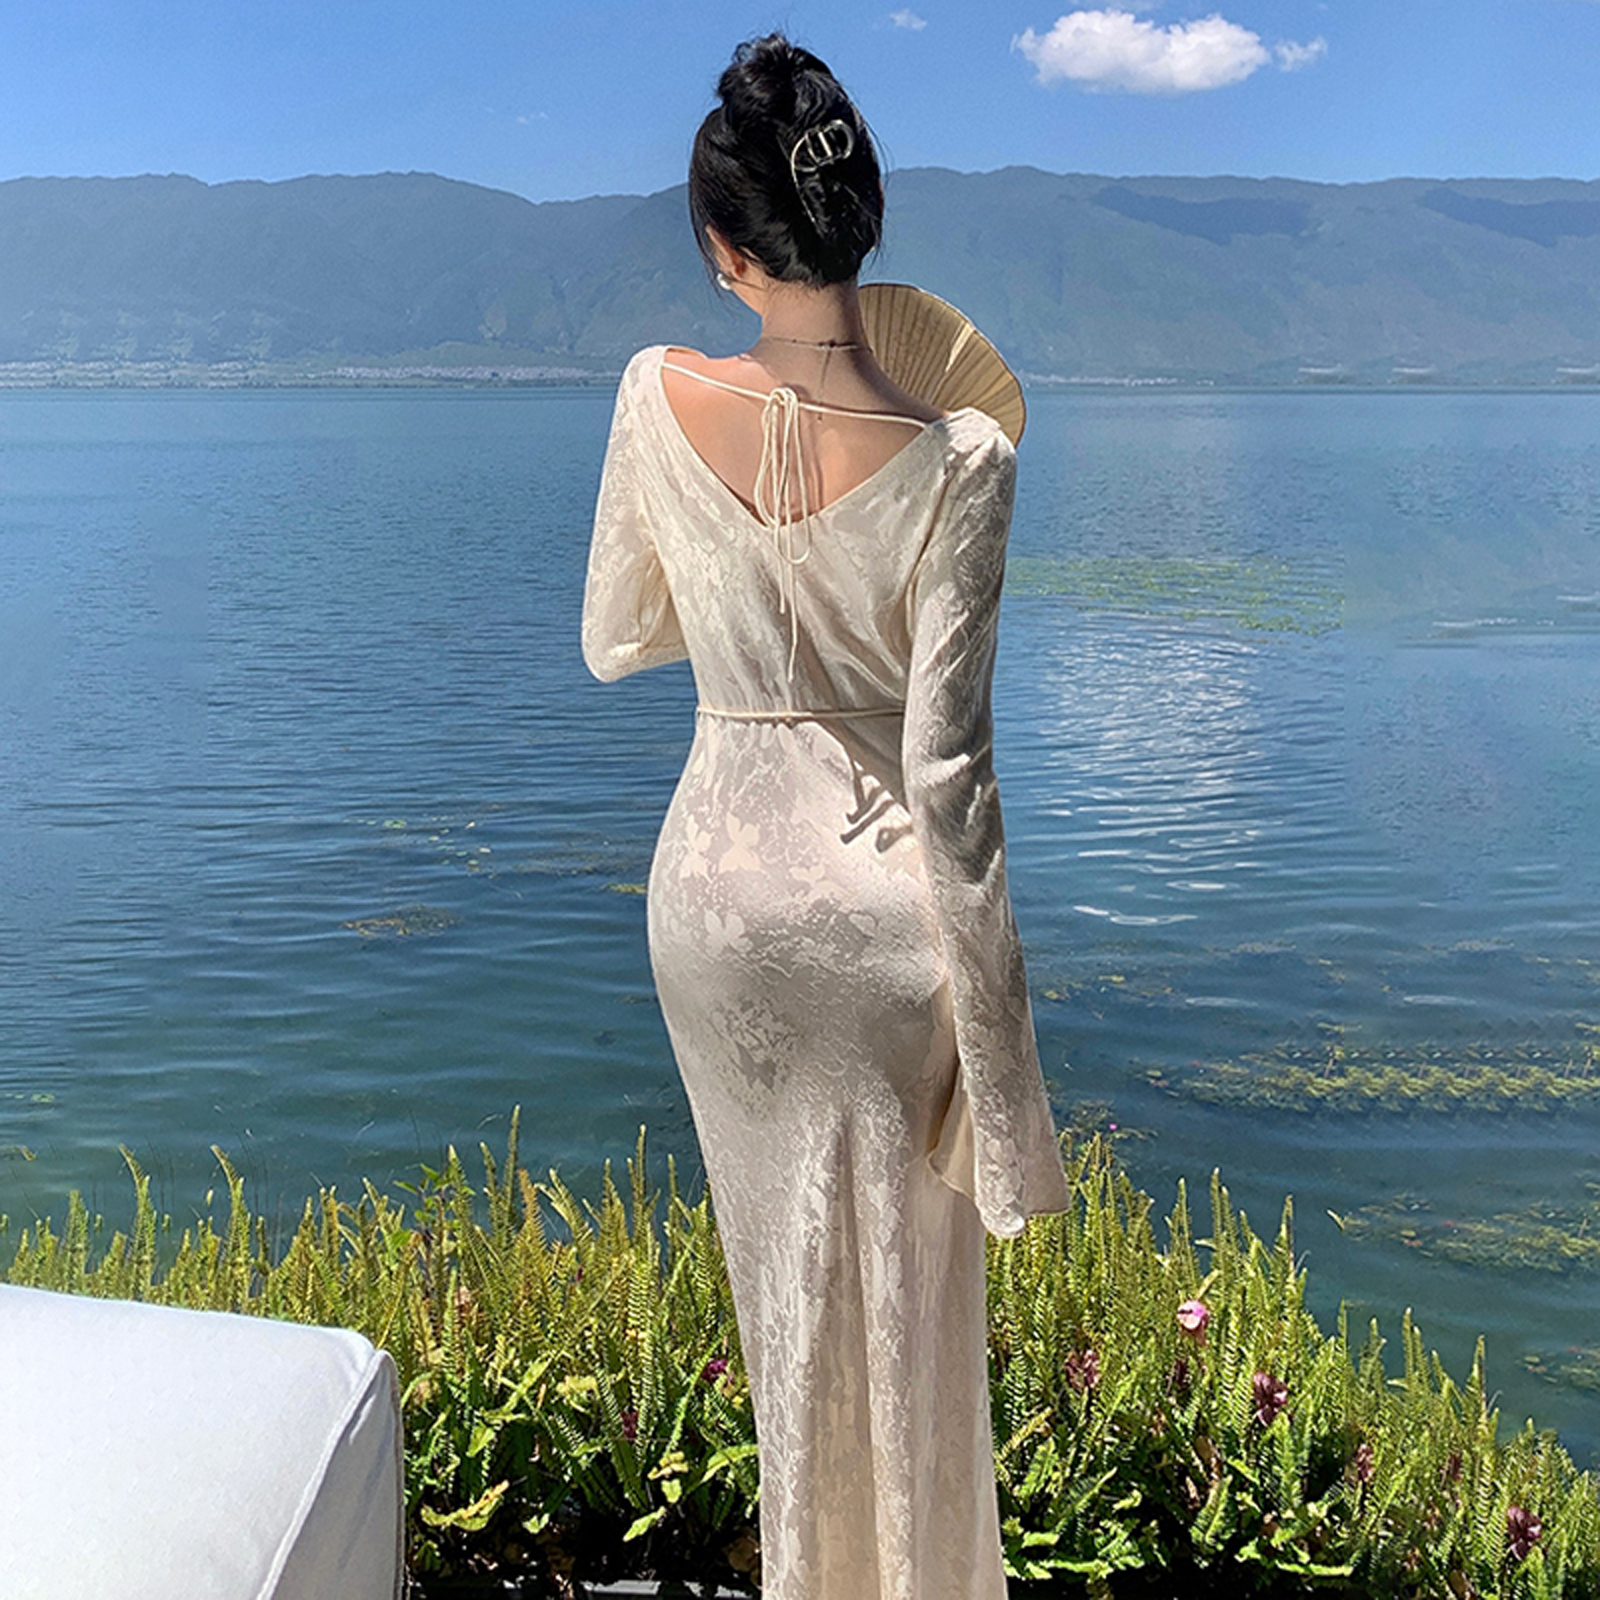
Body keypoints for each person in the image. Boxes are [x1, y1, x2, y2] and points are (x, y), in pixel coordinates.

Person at [581, 31, 1069, 1600]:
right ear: (863, 220)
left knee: (782, 1311)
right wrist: (1005, 1077)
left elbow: (614, 636)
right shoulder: (964, 456)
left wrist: (742, 596)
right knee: (912, 1322)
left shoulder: (652, 394)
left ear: (725, 250)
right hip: (880, 924)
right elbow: (953, 777)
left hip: (716, 910)